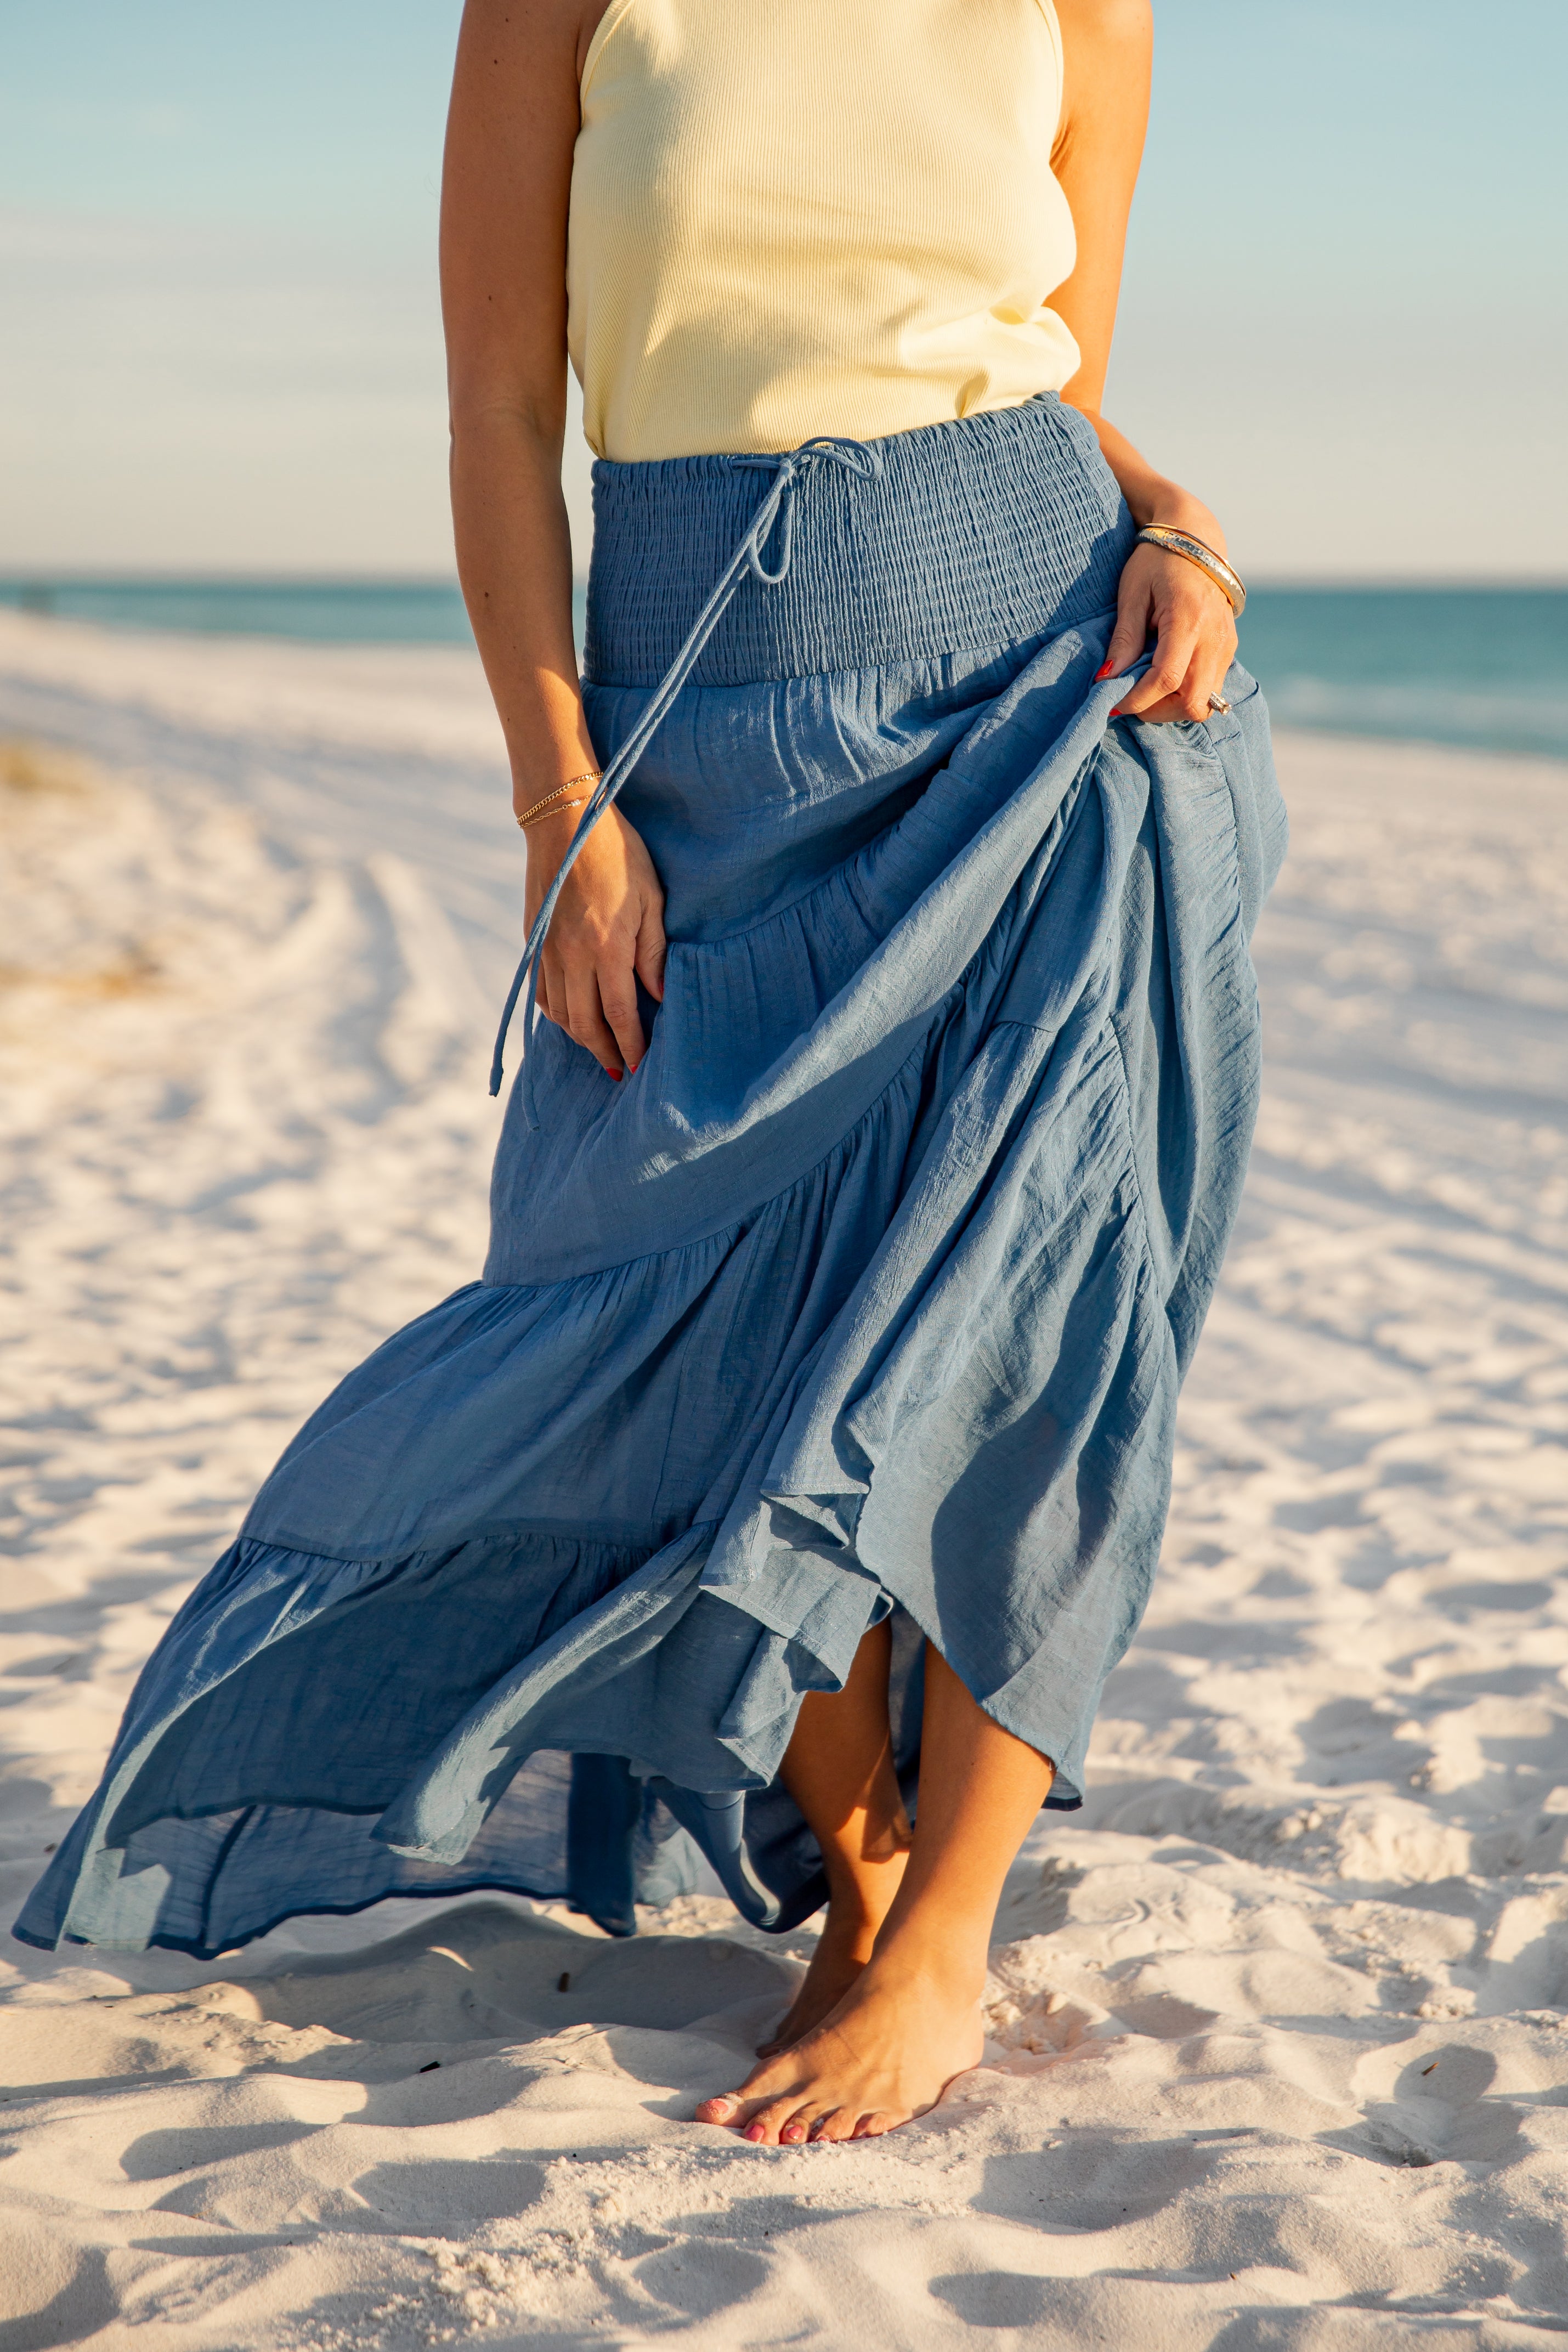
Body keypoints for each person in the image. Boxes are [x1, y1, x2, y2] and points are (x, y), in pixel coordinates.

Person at [18, 0, 1285, 2147]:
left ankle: (949, 1928)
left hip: (1056, 704)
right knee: (677, 1307)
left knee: (1045, 1308)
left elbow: (1047, 364)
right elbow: (505, 411)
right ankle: (857, 1858)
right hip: (711, 743)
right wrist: (560, 803)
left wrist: (1181, 520)